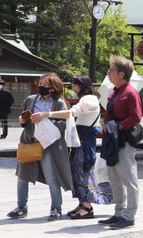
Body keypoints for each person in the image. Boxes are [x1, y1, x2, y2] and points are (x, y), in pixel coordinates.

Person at [32, 75, 109, 219]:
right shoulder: (86, 99)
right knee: (77, 170)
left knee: (82, 170)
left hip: (85, 141)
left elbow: (71, 113)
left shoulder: (89, 99)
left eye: (74, 85)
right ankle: (82, 203)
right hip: (80, 140)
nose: (72, 88)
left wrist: (46, 114)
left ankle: (87, 206)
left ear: (82, 86)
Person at [7, 73, 73, 220]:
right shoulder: (30, 100)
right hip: (29, 142)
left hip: (49, 144)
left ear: (53, 88)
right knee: (22, 176)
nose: (41, 86)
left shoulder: (59, 103)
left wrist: (45, 116)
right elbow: (24, 119)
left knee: (51, 176)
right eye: (40, 83)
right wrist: (22, 120)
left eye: (45, 85)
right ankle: (21, 207)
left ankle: (56, 208)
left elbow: (64, 121)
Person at [98, 57, 143, 229]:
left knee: (129, 178)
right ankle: (119, 212)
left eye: (111, 70)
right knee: (114, 177)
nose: (108, 73)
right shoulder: (114, 92)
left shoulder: (131, 93)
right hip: (112, 139)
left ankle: (129, 216)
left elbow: (136, 117)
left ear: (122, 74)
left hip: (124, 140)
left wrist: (117, 126)